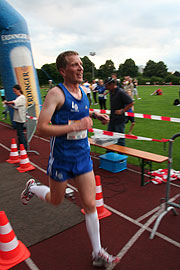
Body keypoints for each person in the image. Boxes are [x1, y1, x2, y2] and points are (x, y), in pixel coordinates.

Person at [20, 51, 120, 268]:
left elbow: (81, 110)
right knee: (56, 200)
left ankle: (97, 252)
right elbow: (41, 128)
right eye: (75, 65)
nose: (80, 68)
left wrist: (94, 115)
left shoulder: (83, 90)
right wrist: (75, 126)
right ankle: (33, 187)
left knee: (90, 203)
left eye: (81, 64)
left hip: (82, 156)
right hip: (62, 159)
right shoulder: (56, 94)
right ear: (63, 70)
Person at [104, 77, 134, 146]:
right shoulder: (111, 91)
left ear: (112, 84)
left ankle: (121, 155)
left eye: (107, 85)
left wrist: (122, 111)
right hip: (112, 119)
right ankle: (109, 154)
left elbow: (131, 102)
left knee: (120, 139)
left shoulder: (120, 92)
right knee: (110, 137)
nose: (106, 87)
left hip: (119, 120)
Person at [5, 84, 27, 149]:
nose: (14, 92)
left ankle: (23, 146)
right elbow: (16, 107)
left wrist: (8, 102)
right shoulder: (19, 97)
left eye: (15, 91)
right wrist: (9, 105)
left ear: (19, 90)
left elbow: (14, 102)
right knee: (19, 133)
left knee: (20, 133)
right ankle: (21, 145)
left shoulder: (22, 97)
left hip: (20, 118)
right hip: (18, 117)